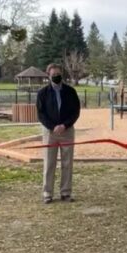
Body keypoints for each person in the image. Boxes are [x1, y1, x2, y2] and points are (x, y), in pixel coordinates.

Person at [36, 63, 81, 204]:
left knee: (67, 163)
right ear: (48, 76)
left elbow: (76, 111)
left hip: (67, 131)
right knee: (49, 163)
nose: (56, 77)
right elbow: (40, 114)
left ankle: (66, 192)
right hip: (50, 132)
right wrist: (52, 126)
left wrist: (65, 125)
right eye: (53, 75)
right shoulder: (43, 93)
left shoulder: (70, 92)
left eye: (58, 74)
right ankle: (47, 193)